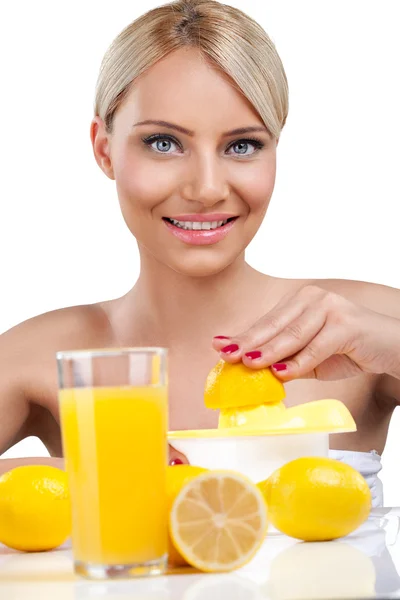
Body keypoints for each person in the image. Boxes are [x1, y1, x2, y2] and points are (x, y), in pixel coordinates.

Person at [0, 0, 399, 508]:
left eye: (241, 146)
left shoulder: (360, 327)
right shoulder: (47, 355)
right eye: (164, 143)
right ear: (104, 149)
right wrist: (54, 476)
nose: (207, 189)